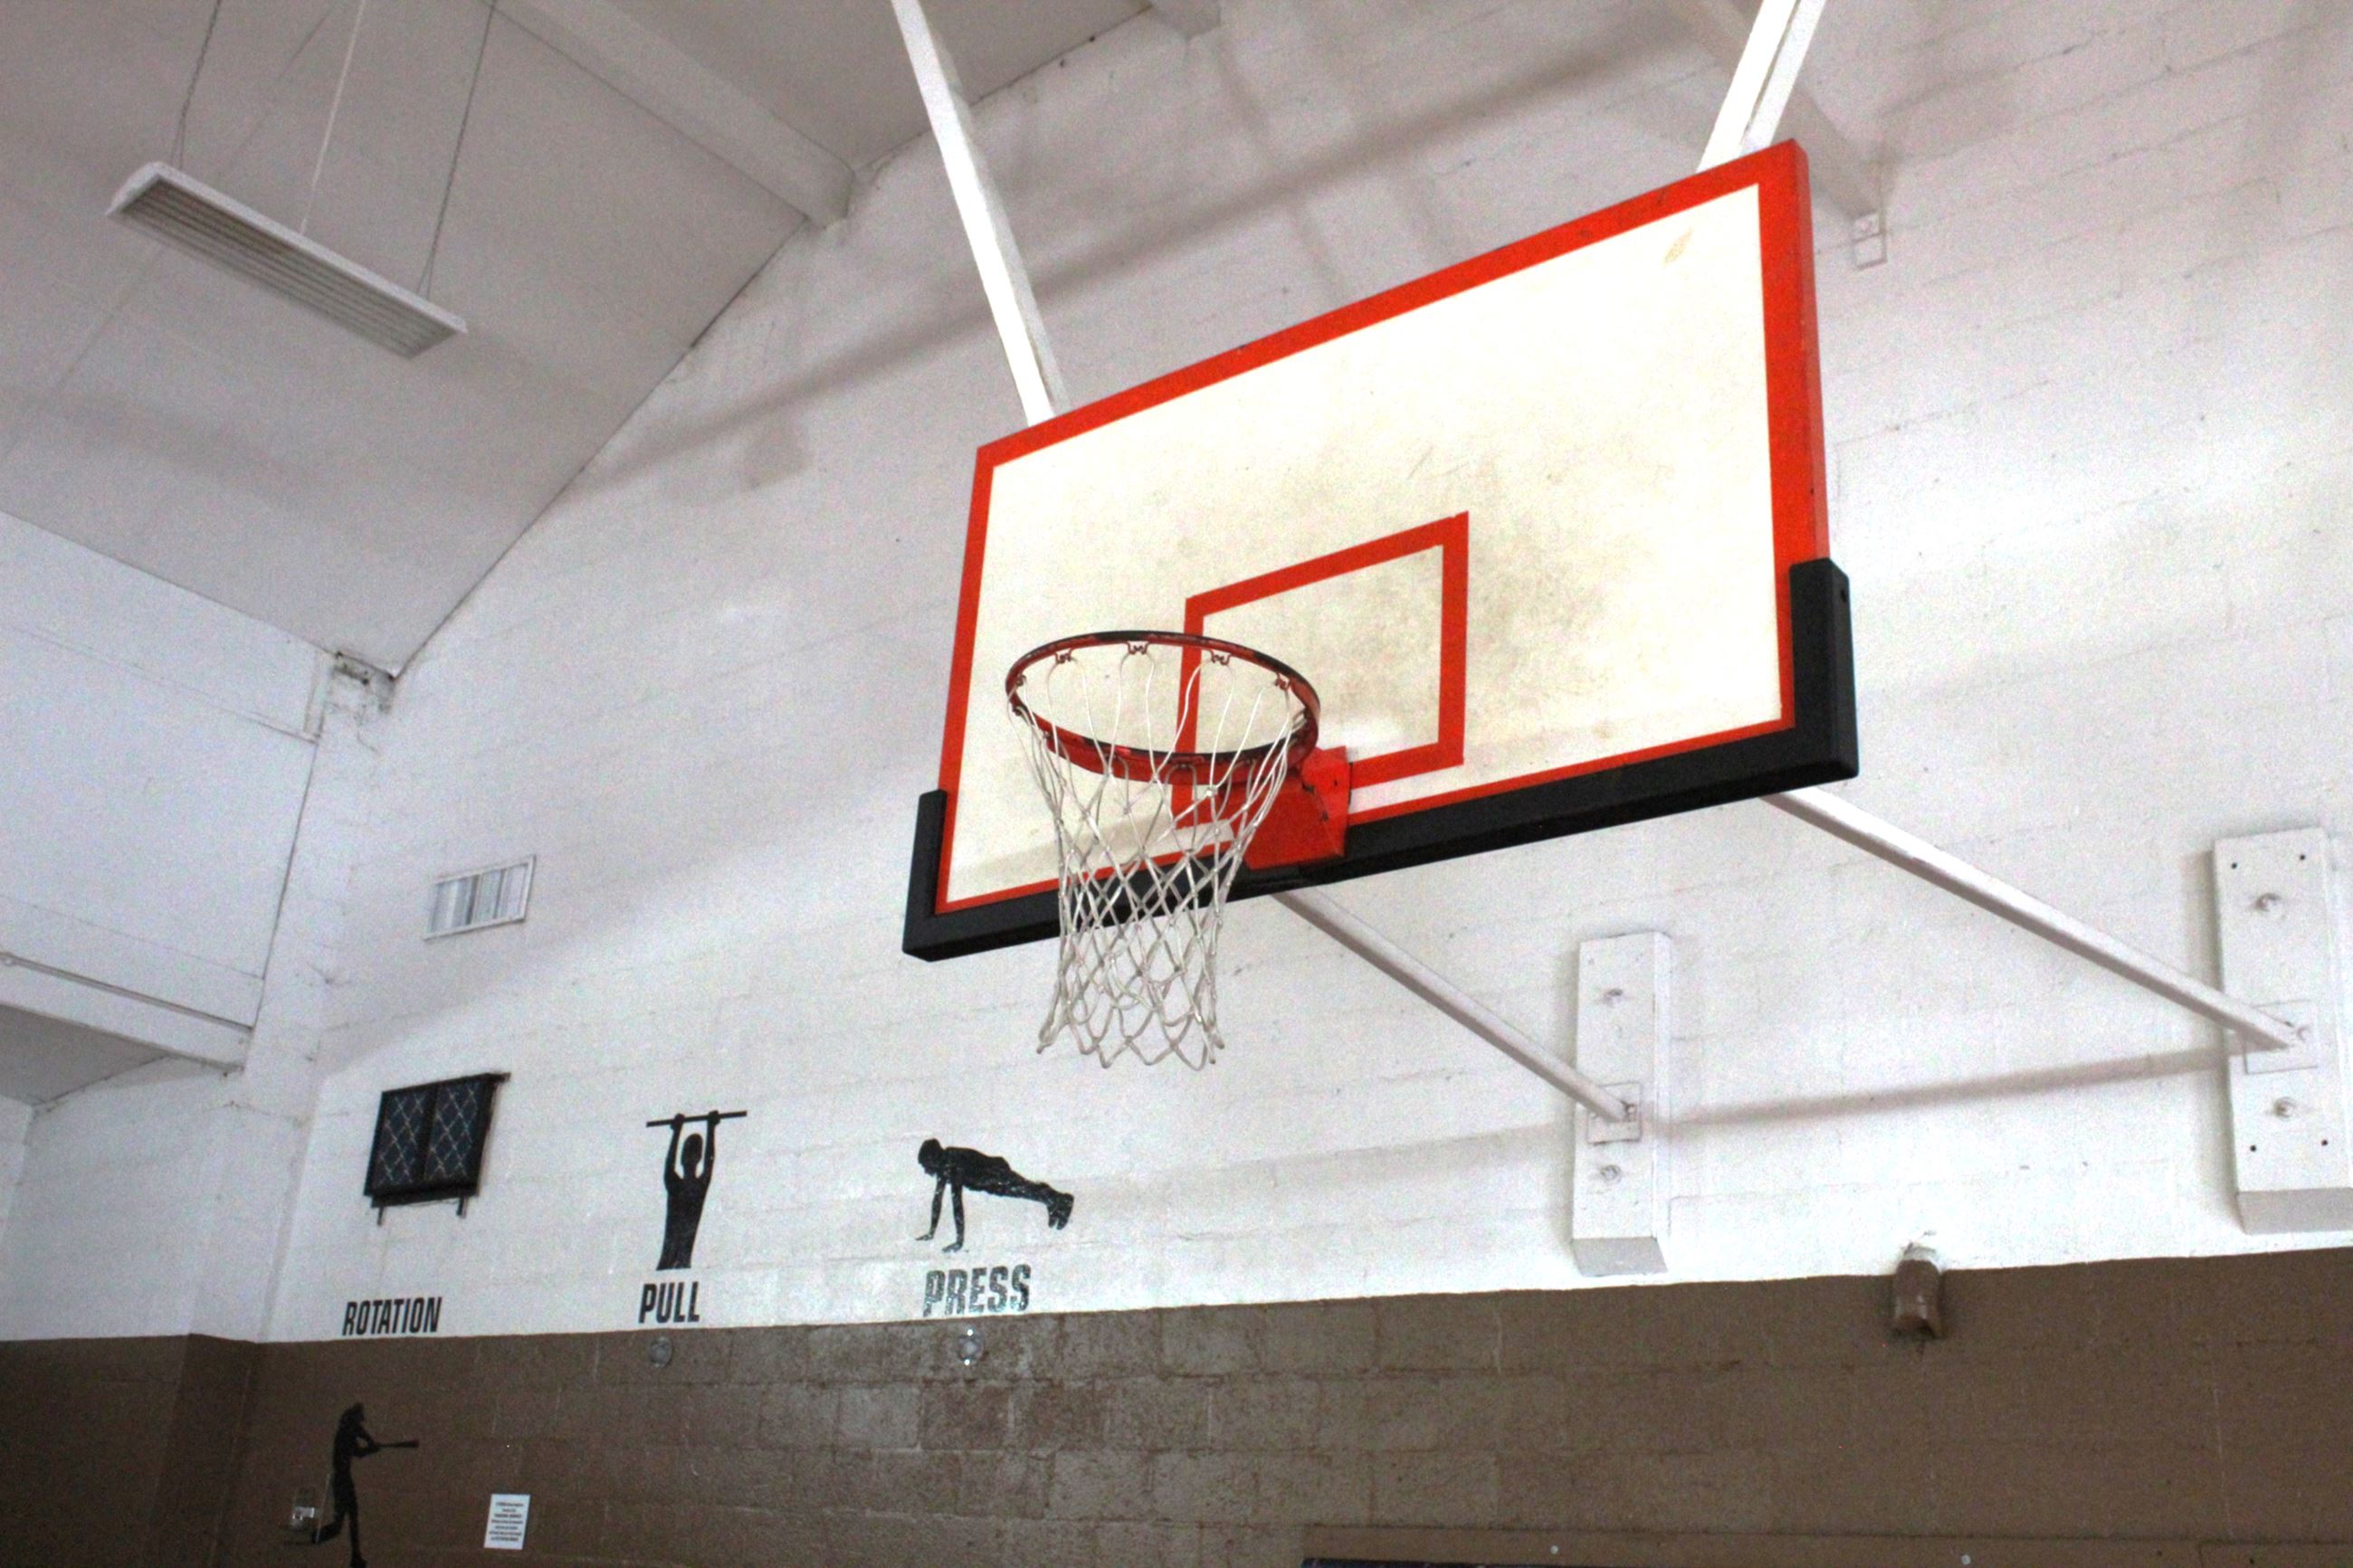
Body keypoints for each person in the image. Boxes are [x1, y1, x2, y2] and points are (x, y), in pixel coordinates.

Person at [916, 1138, 1073, 1252]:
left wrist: (959, 1241)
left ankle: (1062, 1200)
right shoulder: (944, 1165)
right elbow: (938, 1199)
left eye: (925, 1165)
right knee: (1024, 1190)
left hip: (994, 1173)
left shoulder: (952, 1163)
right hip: (987, 1182)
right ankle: (1052, 1201)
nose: (926, 1170)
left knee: (1024, 1189)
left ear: (933, 1159)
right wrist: (931, 1232)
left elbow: (956, 1203)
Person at [310, 1403, 414, 1568]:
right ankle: (318, 1539)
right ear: (353, 1418)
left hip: (343, 1479)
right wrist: (372, 1448)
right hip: (342, 1480)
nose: (360, 1422)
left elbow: (361, 1433)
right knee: (343, 1523)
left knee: (351, 1519)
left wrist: (371, 1443)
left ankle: (355, 1556)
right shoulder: (345, 1434)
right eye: (358, 1419)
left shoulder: (347, 1428)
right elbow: (358, 1452)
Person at [658, 1112, 722, 1269]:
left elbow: (709, 1161)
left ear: (698, 1157)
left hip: (683, 1260)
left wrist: (711, 1128)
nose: (687, 1156)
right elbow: (669, 1163)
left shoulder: (699, 1187)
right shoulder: (675, 1184)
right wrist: (676, 1132)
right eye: (686, 1152)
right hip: (667, 1259)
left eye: (692, 1152)